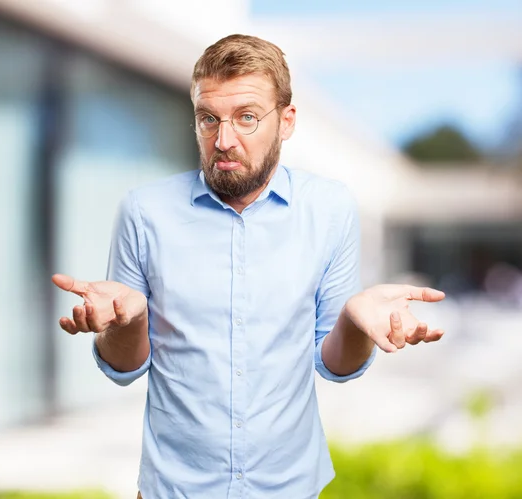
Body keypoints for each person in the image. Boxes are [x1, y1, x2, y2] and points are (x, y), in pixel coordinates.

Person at [52, 34, 445, 499]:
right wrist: (129, 321)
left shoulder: (330, 208)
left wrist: (354, 322)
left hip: (291, 488)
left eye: (247, 118)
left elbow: (334, 364)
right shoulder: (144, 212)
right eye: (208, 119)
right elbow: (123, 366)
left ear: (287, 121)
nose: (223, 140)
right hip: (174, 490)